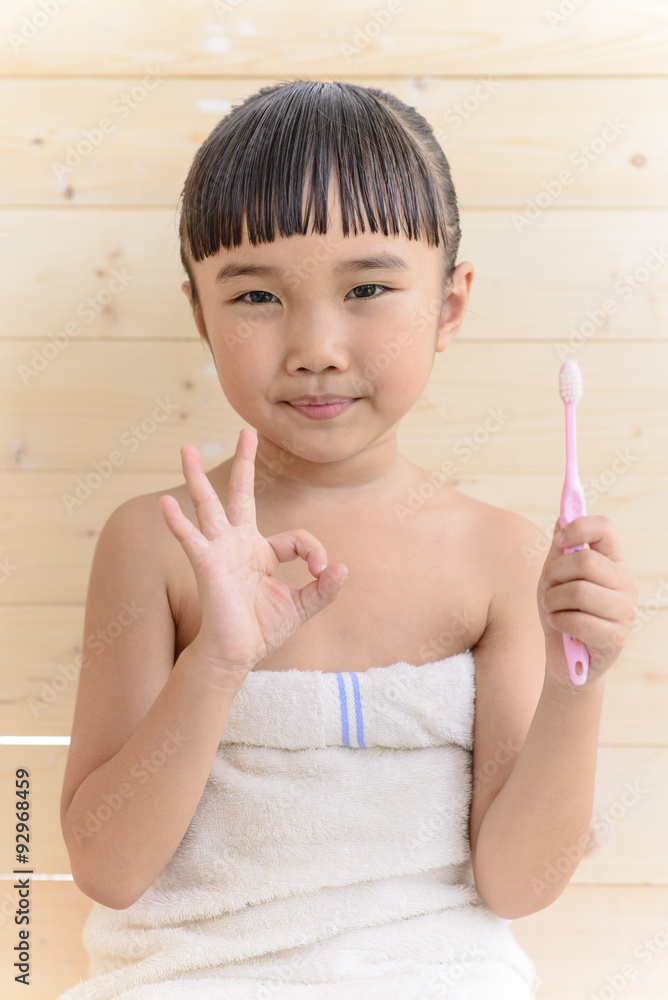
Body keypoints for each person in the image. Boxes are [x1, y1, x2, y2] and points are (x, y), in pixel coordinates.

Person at [57, 79, 639, 999]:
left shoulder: (502, 560)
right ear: (201, 315)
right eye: (255, 295)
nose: (316, 344)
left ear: (449, 307)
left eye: (367, 288)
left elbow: (520, 886)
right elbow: (108, 869)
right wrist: (219, 663)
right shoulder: (159, 543)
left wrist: (581, 687)